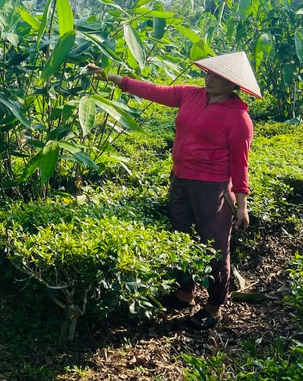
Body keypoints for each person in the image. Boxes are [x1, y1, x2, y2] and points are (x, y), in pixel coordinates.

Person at [87, 51, 261, 329]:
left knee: (215, 247)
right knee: (180, 236)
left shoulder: (239, 119)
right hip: (180, 179)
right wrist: (110, 76)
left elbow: (241, 165)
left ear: (232, 84)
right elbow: (152, 90)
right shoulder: (190, 95)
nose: (209, 78)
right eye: (208, 73)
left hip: (213, 189)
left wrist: (241, 205)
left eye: (217, 77)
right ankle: (185, 292)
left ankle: (214, 307)